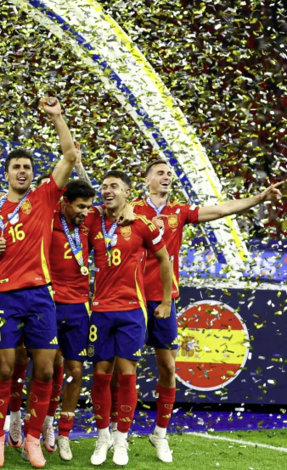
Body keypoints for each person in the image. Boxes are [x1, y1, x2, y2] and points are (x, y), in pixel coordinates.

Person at [130, 160, 283, 463]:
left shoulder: (178, 211)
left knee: (168, 368)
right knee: (123, 369)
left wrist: (258, 199)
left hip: (164, 300)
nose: (167, 176)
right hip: (130, 298)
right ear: (146, 179)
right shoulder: (131, 210)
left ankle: (160, 433)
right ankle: (115, 432)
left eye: (169, 173)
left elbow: (221, 210)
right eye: (160, 173)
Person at [0, 97, 77, 468]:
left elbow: (70, 155)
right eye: (16, 167)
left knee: (46, 370)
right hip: (4, 296)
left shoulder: (45, 197)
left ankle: (33, 440)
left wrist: (57, 116)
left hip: (40, 295)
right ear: (6, 173)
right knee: (4, 369)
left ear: (33, 174)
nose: (22, 171)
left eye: (27, 167)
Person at [88, 170, 173, 467]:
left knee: (127, 375)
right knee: (101, 375)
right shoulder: (93, 218)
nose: (107, 190)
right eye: (104, 186)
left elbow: (164, 259)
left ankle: (121, 439)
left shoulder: (141, 224)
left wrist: (165, 301)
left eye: (114, 186)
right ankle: (103, 438)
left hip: (131, 311)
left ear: (127, 192)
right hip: (100, 309)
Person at [43, 180, 99, 460]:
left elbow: (118, 207)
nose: (85, 212)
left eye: (88, 207)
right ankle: (43, 423)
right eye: (80, 206)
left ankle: (64, 433)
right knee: (49, 368)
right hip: (50, 302)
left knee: (75, 372)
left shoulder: (91, 221)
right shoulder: (48, 218)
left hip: (79, 306)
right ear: (65, 203)